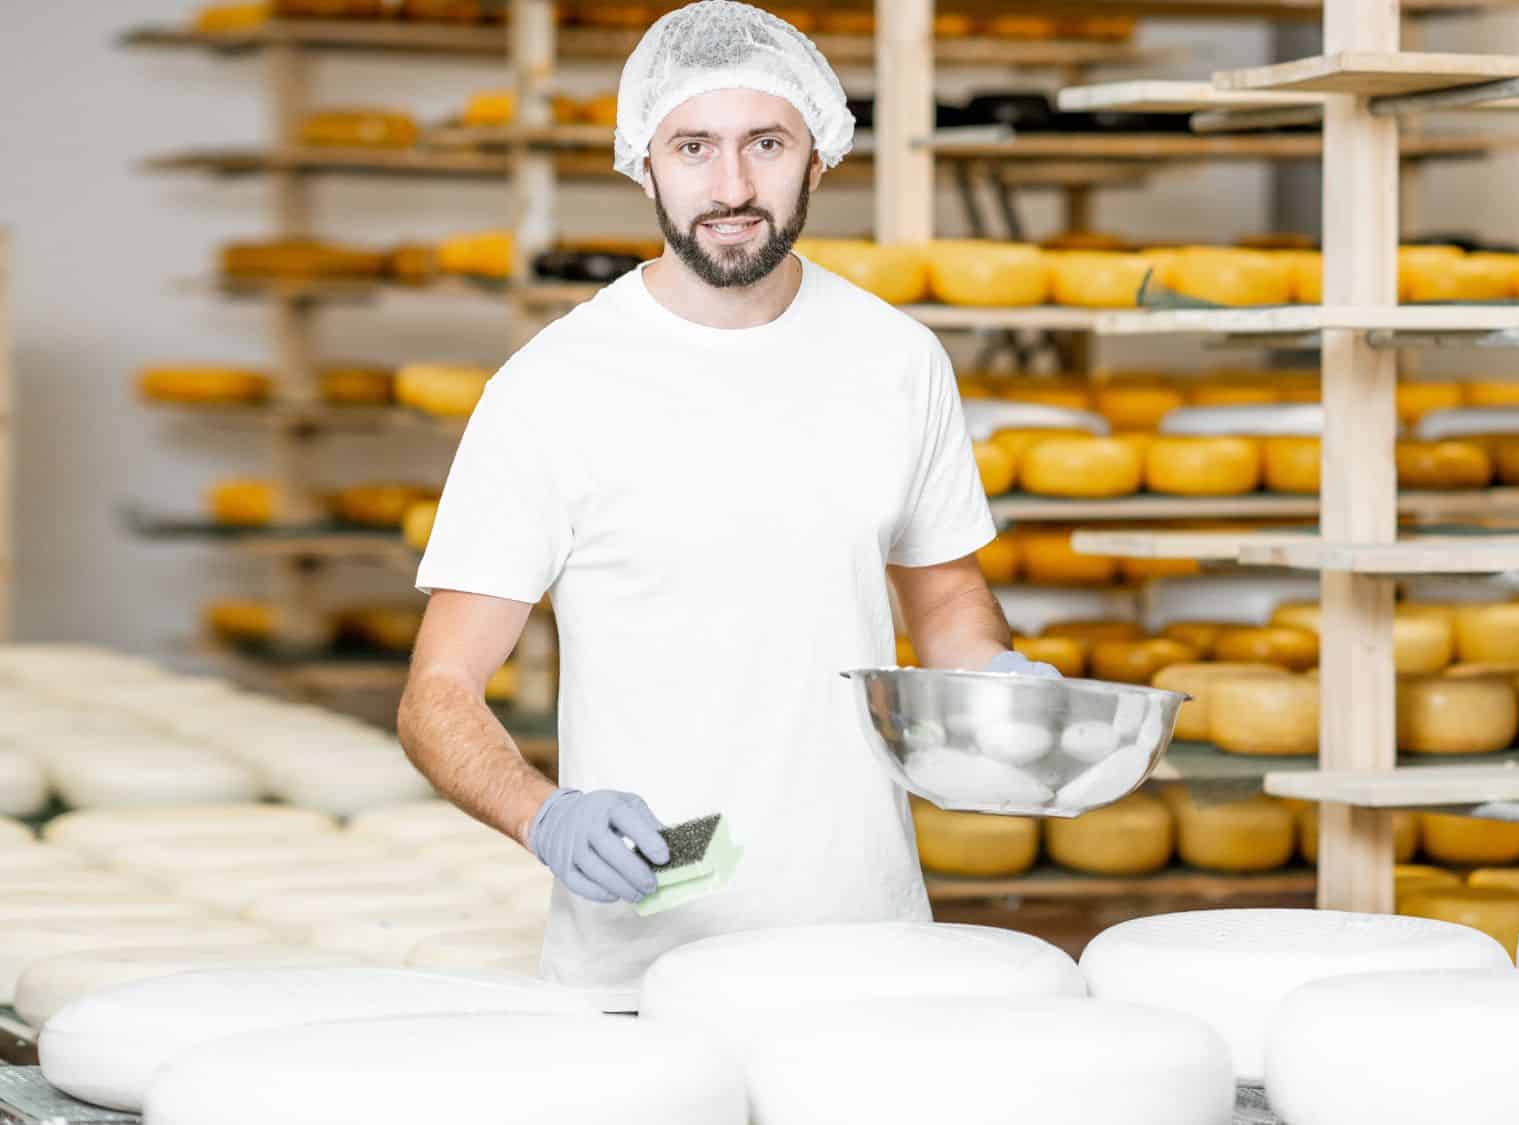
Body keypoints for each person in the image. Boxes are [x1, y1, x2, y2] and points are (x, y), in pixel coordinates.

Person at [396, 0, 1055, 993]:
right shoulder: (553, 387)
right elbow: (435, 695)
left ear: (819, 154)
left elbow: (946, 602)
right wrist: (544, 814)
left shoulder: (896, 360)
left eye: (766, 142)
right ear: (643, 162)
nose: (733, 185)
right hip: (643, 961)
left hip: (867, 939)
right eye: (694, 146)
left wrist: (1000, 685)